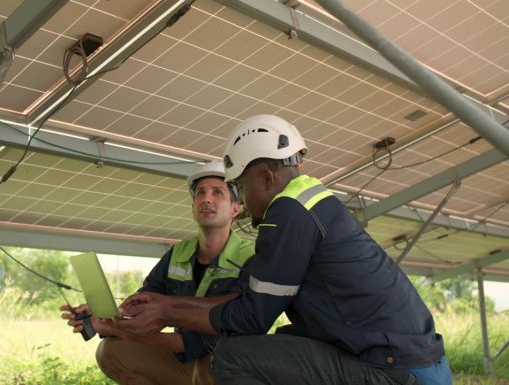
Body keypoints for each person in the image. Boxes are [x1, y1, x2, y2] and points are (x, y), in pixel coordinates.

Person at [115, 115, 453, 385]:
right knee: (280, 340)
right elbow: (245, 298)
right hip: (411, 362)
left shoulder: (288, 211)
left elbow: (251, 318)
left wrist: (166, 313)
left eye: (241, 189)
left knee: (232, 356)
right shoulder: (308, 201)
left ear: (265, 178)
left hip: (396, 371)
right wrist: (165, 303)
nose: (244, 202)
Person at [60, 160, 255, 385]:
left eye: (217, 192)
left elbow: (215, 339)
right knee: (112, 351)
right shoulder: (178, 253)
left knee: (210, 365)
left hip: (230, 366)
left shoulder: (250, 256)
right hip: (185, 361)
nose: (206, 199)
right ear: (193, 206)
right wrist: (106, 315)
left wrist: (120, 329)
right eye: (200, 193)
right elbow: (143, 308)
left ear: (235, 208)